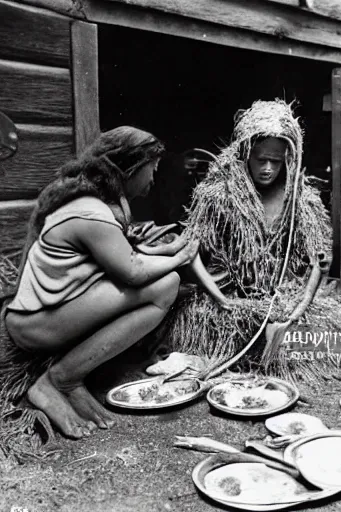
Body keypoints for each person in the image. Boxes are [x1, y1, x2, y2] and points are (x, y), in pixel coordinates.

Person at [3, 126, 227, 440]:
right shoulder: (93, 213)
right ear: (131, 169)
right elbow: (132, 271)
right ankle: (59, 380)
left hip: (51, 315)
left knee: (164, 282)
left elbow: (122, 252)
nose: (153, 178)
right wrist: (181, 256)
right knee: (164, 286)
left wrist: (166, 250)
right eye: (152, 169)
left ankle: (68, 378)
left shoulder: (94, 203)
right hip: (37, 326)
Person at [157, 100, 341, 381]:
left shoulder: (302, 200)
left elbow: (319, 260)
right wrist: (220, 299)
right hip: (227, 295)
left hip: (280, 296)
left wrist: (297, 309)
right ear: (244, 153)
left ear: (289, 158)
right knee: (215, 330)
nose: (267, 168)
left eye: (275, 161)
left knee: (295, 337)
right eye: (260, 159)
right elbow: (190, 252)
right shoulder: (217, 194)